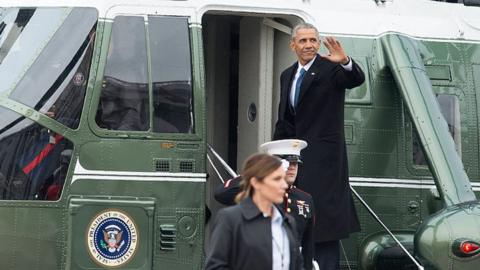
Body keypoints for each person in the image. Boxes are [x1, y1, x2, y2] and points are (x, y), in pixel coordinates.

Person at [273, 23, 365, 270]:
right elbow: (285, 119)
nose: (309, 45)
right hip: (294, 163)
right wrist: (276, 157)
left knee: (323, 225)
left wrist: (344, 60)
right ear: (293, 45)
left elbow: (355, 78)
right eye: (303, 41)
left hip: (324, 163)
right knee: (294, 219)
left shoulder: (331, 69)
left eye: (313, 40)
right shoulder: (287, 75)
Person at [214, 139, 315, 269]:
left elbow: (307, 245)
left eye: (295, 163)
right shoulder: (233, 215)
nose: (292, 167)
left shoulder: (304, 200)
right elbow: (221, 193)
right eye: (287, 162)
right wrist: (258, 172)